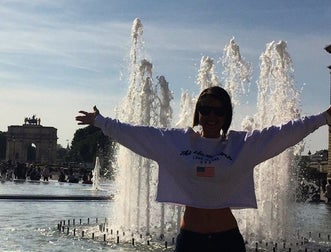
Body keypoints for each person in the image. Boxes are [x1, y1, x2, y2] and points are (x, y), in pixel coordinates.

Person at [76, 86, 331, 252]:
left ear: (226, 115)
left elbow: (283, 133)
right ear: (197, 113)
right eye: (205, 109)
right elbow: (137, 134)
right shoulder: (175, 142)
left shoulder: (241, 145)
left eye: (218, 111)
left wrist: (323, 118)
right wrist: (101, 122)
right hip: (190, 240)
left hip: (227, 240)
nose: (211, 116)